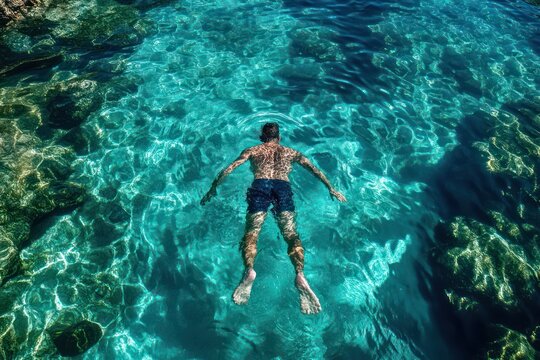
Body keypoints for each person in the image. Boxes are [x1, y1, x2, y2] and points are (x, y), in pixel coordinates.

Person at [200, 122, 346, 314]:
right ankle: (300, 274)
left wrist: (213, 188)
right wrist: (331, 188)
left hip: (260, 186)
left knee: (252, 233)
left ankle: (250, 270)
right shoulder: (291, 152)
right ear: (279, 137)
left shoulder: (253, 150)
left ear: (262, 137)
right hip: (282, 188)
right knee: (291, 234)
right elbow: (314, 170)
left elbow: (229, 169)